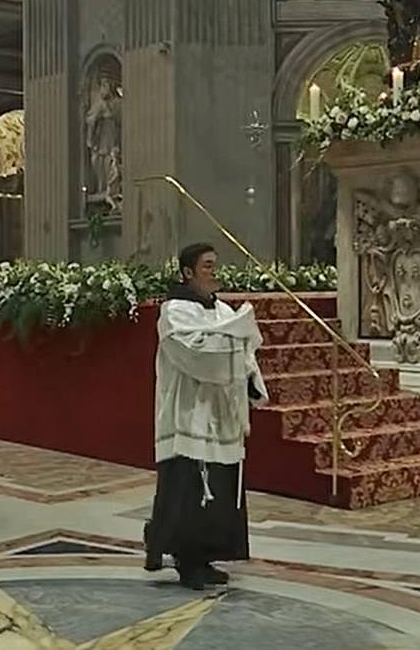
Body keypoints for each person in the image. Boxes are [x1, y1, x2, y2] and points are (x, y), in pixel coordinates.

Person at [144, 243, 268, 591]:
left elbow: (245, 349)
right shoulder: (174, 312)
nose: (214, 271)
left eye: (215, 265)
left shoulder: (223, 310)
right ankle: (187, 561)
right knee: (190, 490)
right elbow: (194, 352)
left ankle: (207, 557)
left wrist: (250, 379)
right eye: (207, 266)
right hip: (190, 414)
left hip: (221, 414)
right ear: (187, 272)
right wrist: (233, 345)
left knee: (219, 490)